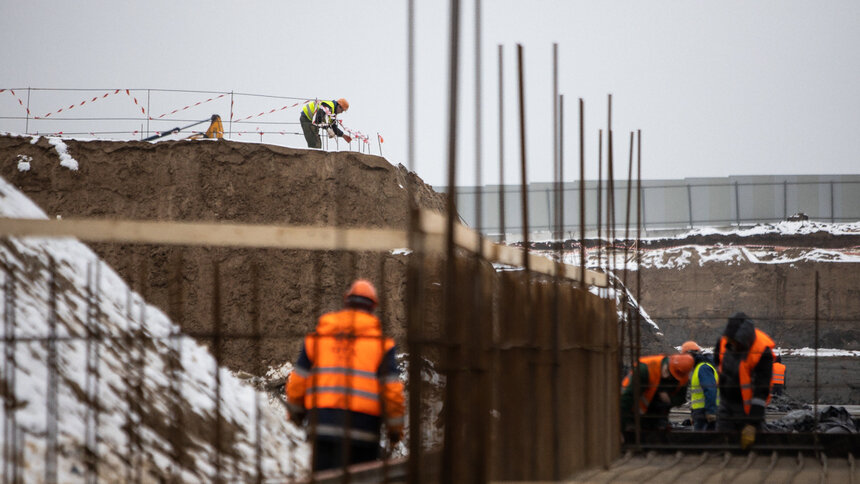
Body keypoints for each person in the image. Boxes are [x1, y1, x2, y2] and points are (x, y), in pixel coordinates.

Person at [286, 279, 405, 472]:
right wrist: (394, 431)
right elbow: (392, 392)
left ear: (345, 302)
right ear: (373, 307)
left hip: (322, 425)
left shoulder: (319, 337)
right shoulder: (382, 345)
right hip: (363, 432)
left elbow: (298, 381)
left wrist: (296, 415)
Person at [713, 312, 774, 450]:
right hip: (726, 404)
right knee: (723, 442)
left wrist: (753, 422)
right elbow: (718, 362)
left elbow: (762, 389)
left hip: (747, 408)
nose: (731, 344)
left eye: (735, 342)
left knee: (751, 446)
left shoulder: (762, 351)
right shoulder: (723, 342)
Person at [620, 353, 695, 432]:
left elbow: (680, 398)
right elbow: (626, 399)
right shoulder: (645, 369)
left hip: (656, 419)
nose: (667, 377)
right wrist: (620, 428)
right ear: (668, 364)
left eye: (671, 377)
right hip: (633, 415)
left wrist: (670, 400)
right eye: (667, 372)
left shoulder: (682, 377)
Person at [680, 341, 719, 431]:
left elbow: (710, 389)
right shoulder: (699, 368)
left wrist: (710, 412)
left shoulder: (703, 368)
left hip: (705, 413)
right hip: (701, 413)